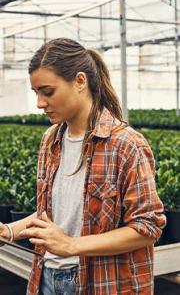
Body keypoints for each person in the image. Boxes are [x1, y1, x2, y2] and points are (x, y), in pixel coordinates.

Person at [0, 38, 166, 295]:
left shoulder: (125, 144)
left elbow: (148, 228)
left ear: (80, 81)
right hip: (46, 277)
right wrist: (9, 231)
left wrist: (72, 245)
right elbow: (53, 214)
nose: (39, 103)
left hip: (101, 282)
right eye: (36, 93)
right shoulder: (51, 140)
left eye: (48, 92)